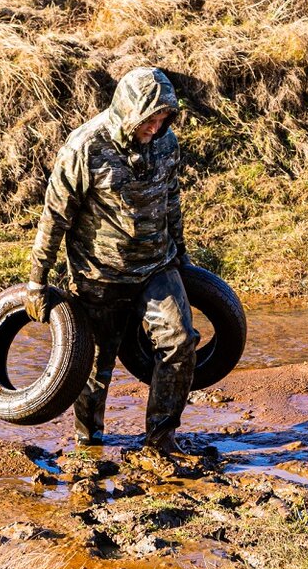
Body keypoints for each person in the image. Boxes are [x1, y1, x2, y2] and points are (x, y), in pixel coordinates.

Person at [22, 66, 198, 454]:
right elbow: (55, 216)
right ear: (128, 110)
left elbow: (171, 199)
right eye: (149, 119)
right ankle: (89, 443)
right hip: (98, 274)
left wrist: (181, 254)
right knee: (95, 367)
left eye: (162, 118)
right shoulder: (85, 146)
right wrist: (37, 279)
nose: (155, 127)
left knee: (180, 341)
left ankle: (161, 437)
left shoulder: (166, 143)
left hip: (156, 266)